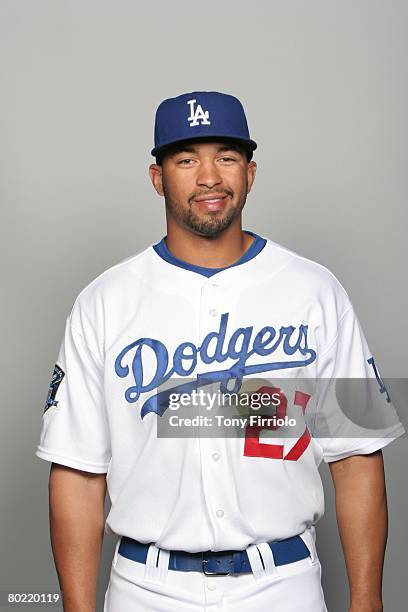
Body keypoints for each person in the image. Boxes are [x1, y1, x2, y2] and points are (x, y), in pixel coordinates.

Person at [36, 91, 405, 612]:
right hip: (147, 589)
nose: (209, 176)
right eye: (186, 159)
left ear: (250, 173)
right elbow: (78, 473)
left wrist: (367, 600)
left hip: (282, 586)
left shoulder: (316, 290)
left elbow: (358, 455)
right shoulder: (104, 302)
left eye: (226, 157)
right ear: (158, 178)